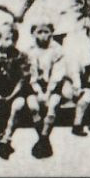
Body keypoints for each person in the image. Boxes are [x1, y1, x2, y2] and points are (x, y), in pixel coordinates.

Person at [0, 22, 31, 160]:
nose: (10, 42)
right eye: (6, 39)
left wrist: (12, 95)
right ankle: (1, 135)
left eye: (13, 39)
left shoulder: (21, 56)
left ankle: (6, 137)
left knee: (18, 105)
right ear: (0, 39)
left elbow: (23, 79)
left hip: (14, 94)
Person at [23, 20, 67, 159]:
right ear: (33, 34)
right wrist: (39, 91)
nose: (43, 35)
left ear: (52, 33)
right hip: (34, 86)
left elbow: (57, 74)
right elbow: (31, 74)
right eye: (39, 32)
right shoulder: (30, 51)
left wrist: (48, 92)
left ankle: (43, 139)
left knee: (52, 107)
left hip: (52, 86)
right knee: (33, 107)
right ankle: (44, 141)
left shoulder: (57, 50)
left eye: (46, 32)